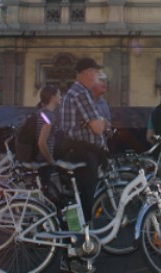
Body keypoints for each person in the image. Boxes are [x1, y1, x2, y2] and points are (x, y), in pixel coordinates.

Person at [57, 57, 109, 222]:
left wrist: (97, 122)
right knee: (86, 200)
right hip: (84, 153)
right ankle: (82, 239)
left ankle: (77, 234)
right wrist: (102, 121)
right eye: (95, 72)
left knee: (79, 198)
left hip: (76, 151)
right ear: (88, 73)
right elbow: (99, 127)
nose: (97, 75)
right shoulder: (81, 94)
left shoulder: (74, 92)